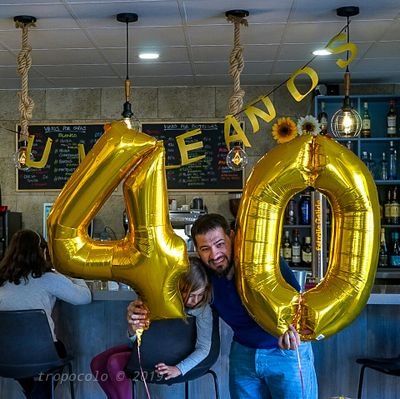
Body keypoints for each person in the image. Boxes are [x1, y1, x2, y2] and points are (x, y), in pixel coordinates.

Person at [129, 213, 317, 399]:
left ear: (232, 237)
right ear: (197, 249)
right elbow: (168, 297)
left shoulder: (263, 263)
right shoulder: (203, 277)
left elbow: (299, 304)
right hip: (243, 353)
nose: (215, 255)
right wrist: (138, 309)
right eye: (205, 249)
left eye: (220, 244)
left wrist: (295, 329)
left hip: (286, 351)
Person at [91, 256, 213, 399]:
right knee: (97, 363)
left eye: (200, 295)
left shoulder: (203, 310)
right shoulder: (154, 299)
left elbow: (204, 347)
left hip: (173, 357)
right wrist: (132, 328)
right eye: (191, 295)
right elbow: (135, 339)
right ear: (178, 288)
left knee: (114, 363)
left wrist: (179, 369)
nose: (196, 301)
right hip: (148, 351)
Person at [0, 229, 92, 399]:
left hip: (5, 356)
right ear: (42, 251)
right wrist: (75, 273)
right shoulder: (47, 278)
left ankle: (35, 395)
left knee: (25, 366)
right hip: (42, 354)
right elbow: (84, 298)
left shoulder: (2, 280)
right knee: (58, 352)